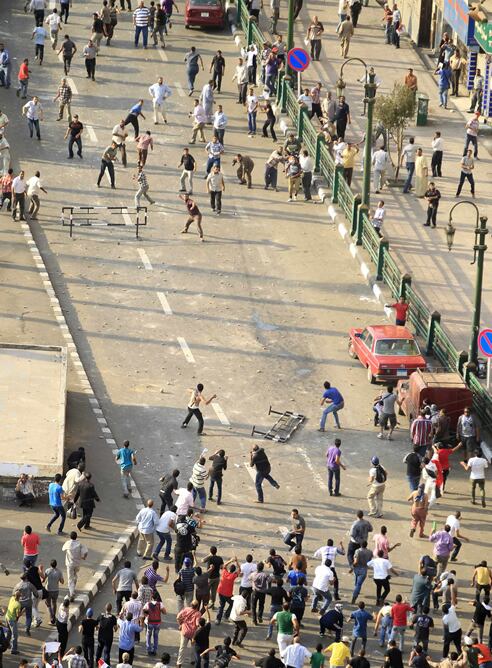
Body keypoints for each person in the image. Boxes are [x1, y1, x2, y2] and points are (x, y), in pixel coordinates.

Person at [62, 531, 88, 601]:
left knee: (70, 578)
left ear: (70, 537)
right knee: (75, 575)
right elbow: (85, 551)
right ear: (76, 537)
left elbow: (63, 549)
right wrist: (84, 557)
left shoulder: (68, 543)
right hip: (77, 563)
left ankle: (71, 593)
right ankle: (73, 588)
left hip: (70, 564)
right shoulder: (79, 544)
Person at [176, 601, 202, 667]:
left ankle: (179, 663)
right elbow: (197, 624)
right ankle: (192, 660)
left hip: (184, 632)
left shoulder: (186, 609)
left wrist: (180, 624)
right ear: (197, 606)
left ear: (191, 605)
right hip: (193, 633)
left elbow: (178, 617)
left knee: (182, 647)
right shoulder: (198, 613)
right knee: (193, 647)